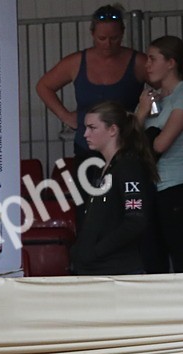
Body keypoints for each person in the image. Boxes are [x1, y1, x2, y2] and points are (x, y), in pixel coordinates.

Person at [36, 5, 147, 164]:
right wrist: (65, 116)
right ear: (92, 34)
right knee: (88, 187)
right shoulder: (75, 62)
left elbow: (167, 82)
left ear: (122, 33)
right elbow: (43, 86)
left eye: (114, 38)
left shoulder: (138, 62)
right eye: (102, 38)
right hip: (86, 147)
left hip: (126, 145)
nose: (108, 44)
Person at [135, 35, 183, 274]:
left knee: (181, 254)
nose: (147, 65)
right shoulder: (153, 99)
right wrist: (142, 112)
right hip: (150, 187)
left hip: (175, 185)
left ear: (171, 62)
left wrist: (143, 127)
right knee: (152, 256)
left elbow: (161, 145)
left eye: (153, 59)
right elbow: (127, 141)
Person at [69, 102, 157, 275]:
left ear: (112, 130)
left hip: (118, 272)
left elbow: (135, 221)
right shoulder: (101, 168)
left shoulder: (128, 167)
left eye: (92, 128)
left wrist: (95, 252)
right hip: (96, 270)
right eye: (85, 128)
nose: (86, 134)